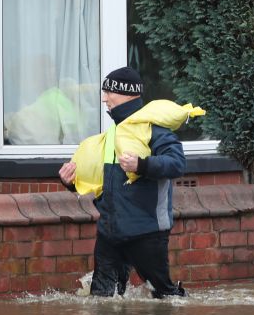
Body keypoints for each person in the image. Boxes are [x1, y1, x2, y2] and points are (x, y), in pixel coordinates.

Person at [59, 66, 188, 298]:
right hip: (110, 233)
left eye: (109, 92)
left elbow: (177, 163)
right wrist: (70, 182)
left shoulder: (154, 130)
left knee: (165, 297)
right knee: (102, 299)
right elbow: (99, 180)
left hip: (146, 232)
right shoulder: (111, 136)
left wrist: (142, 165)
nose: (104, 98)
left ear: (127, 93)